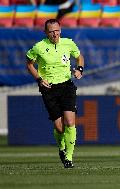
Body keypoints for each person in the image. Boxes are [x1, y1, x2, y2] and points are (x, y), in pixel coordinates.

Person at [26, 19, 84, 168]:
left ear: (60, 30)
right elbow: (29, 63)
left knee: (70, 122)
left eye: (57, 30)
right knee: (59, 127)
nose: (54, 34)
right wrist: (39, 79)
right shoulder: (39, 47)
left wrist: (80, 69)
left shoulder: (68, 43)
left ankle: (69, 158)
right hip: (49, 88)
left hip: (66, 85)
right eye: (51, 31)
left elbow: (79, 57)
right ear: (46, 32)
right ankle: (62, 148)